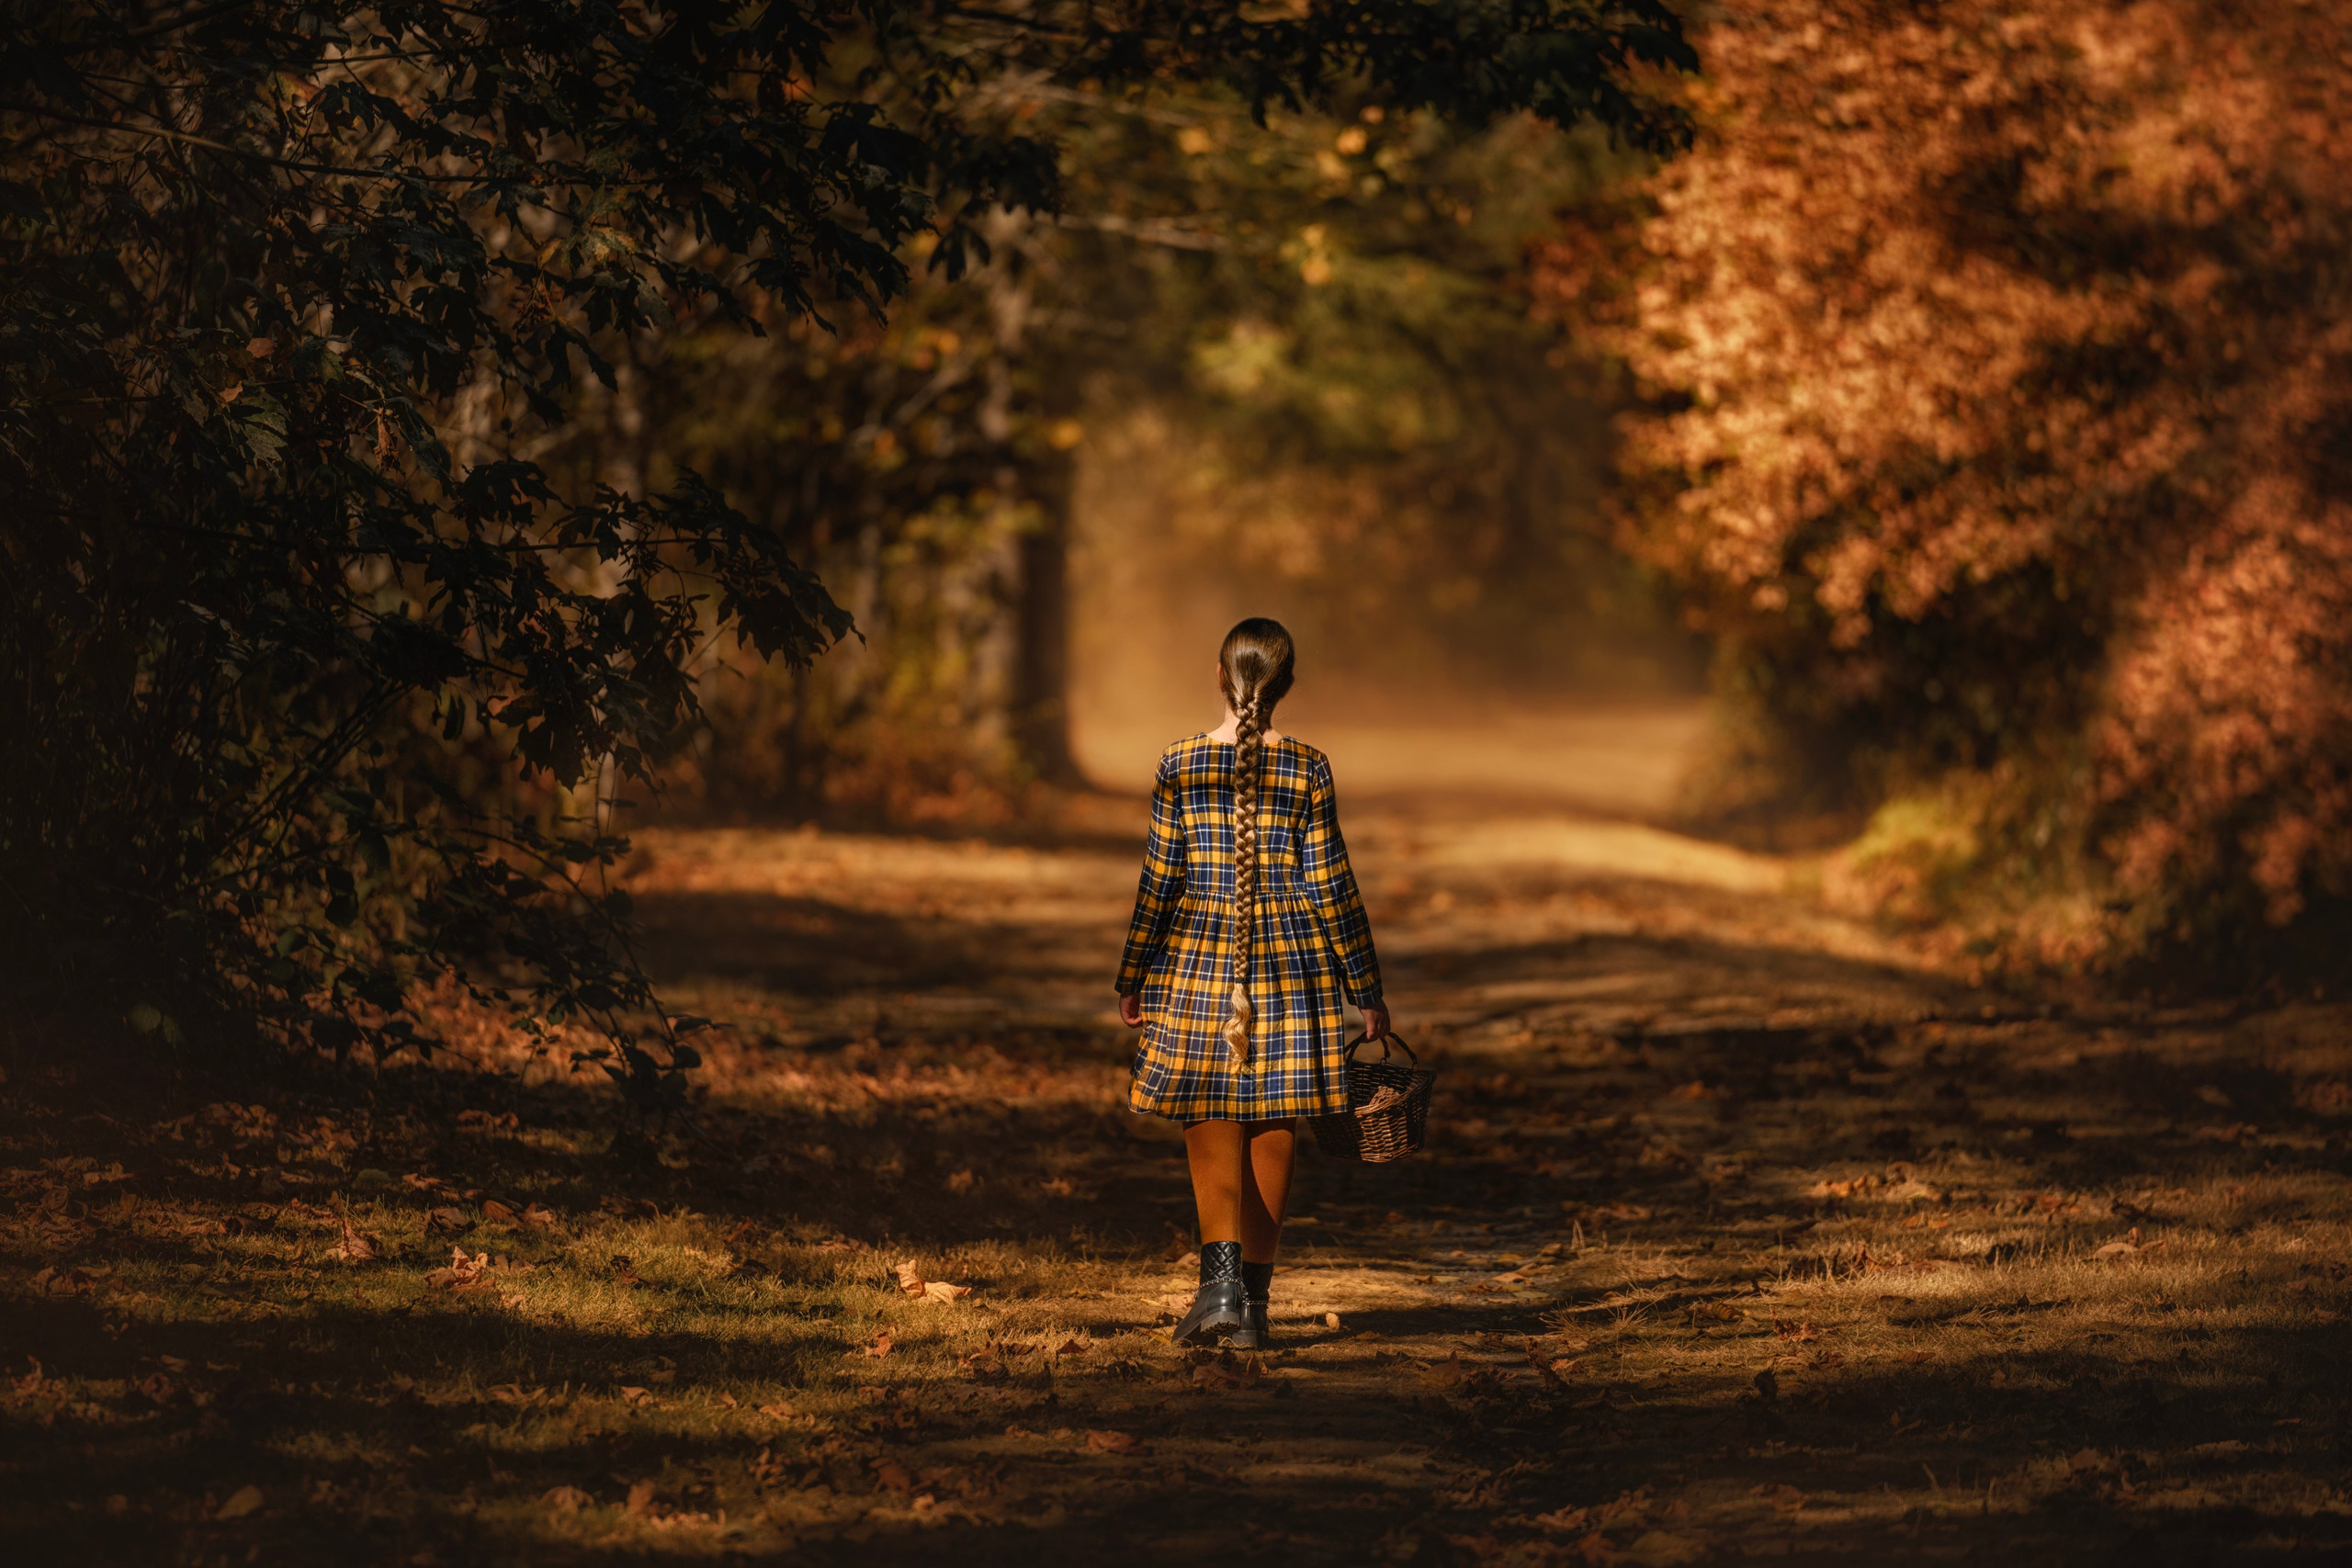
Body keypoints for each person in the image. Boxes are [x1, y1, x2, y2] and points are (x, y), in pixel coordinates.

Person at [1114, 617, 1389, 1348]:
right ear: (1287, 684)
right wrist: (1366, 985)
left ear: (1218, 674)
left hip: (1198, 953)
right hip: (1292, 959)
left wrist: (1133, 972)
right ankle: (1254, 1306)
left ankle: (1222, 1289)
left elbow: (1160, 880)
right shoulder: (1309, 766)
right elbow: (1331, 883)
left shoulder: (1178, 762)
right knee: (1278, 1111)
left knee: (1209, 1103)